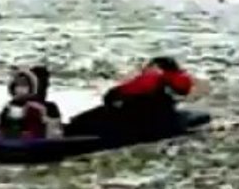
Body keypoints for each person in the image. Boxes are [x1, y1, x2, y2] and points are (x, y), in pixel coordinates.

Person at [66, 56, 194, 140]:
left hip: (136, 120)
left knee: (79, 121)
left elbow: (112, 95)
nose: (144, 69)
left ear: (156, 67)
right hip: (161, 117)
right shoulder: (178, 80)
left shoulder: (152, 78)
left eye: (148, 66)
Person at [0, 65, 64, 139]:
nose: (45, 88)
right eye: (18, 85)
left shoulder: (44, 108)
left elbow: (54, 132)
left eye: (24, 85)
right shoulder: (10, 105)